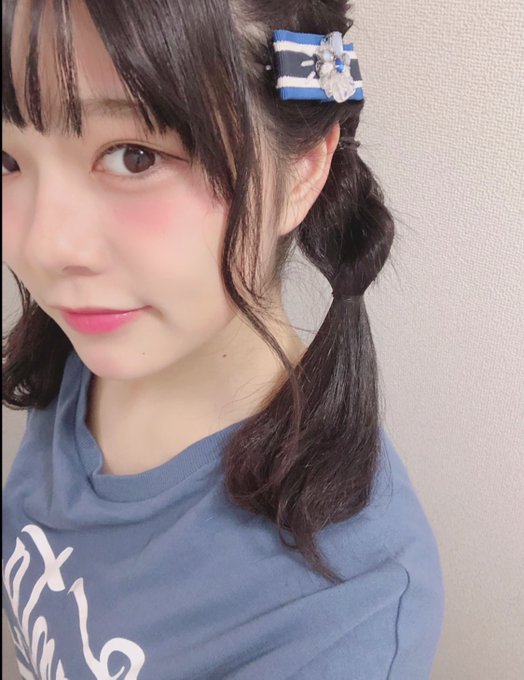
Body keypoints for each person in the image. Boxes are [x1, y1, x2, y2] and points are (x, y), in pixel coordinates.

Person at [1, 0, 445, 678]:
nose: (44, 247)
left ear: (302, 169)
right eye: (7, 159)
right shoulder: (80, 352)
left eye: (134, 156)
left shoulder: (345, 611)